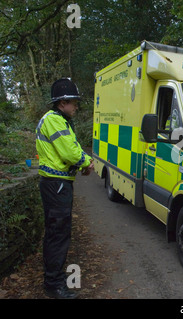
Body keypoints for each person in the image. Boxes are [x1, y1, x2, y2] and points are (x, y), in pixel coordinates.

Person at [36, 78, 94, 298]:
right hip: (56, 185)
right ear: (62, 103)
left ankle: (53, 279)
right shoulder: (54, 120)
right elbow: (70, 152)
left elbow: (72, 148)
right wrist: (86, 162)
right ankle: (54, 284)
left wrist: (81, 162)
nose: (76, 107)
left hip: (57, 184)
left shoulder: (59, 120)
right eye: (73, 102)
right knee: (58, 235)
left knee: (56, 233)